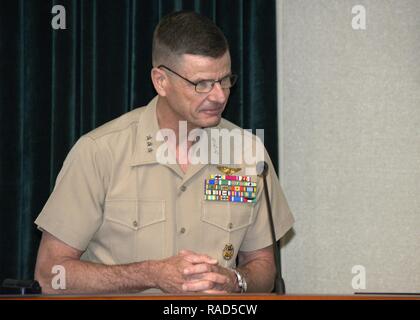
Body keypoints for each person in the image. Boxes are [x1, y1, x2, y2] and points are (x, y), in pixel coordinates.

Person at [34, 11, 294, 295]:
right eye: (202, 84)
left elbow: (263, 265)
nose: (219, 96)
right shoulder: (100, 152)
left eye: (225, 80)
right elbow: (50, 274)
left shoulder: (248, 154)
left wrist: (235, 281)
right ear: (161, 81)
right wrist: (150, 274)